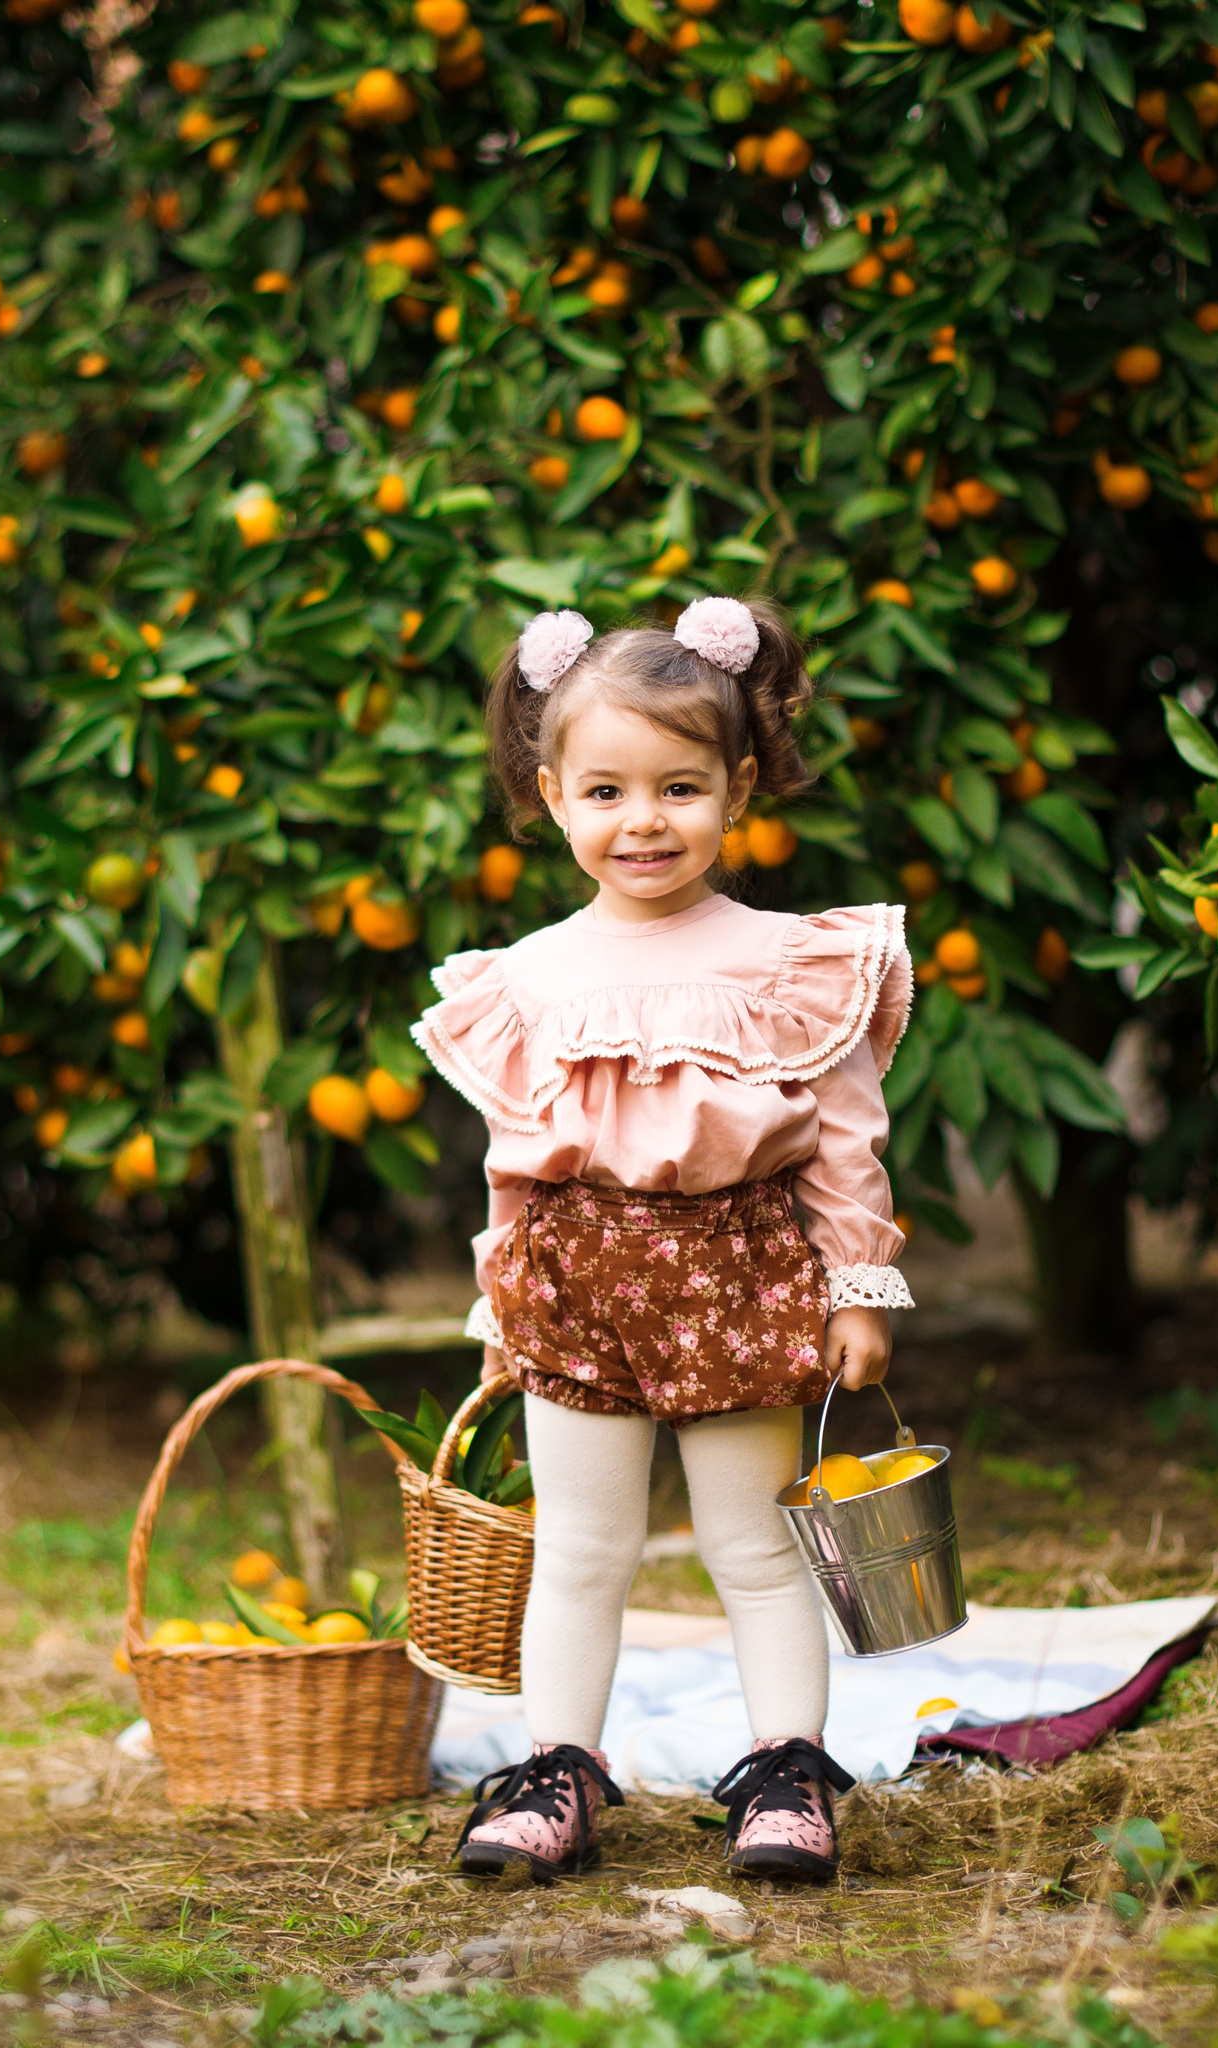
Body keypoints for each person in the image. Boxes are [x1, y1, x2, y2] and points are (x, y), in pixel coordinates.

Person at [412, 594, 914, 1886]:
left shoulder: (787, 962)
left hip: (742, 1280)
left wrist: (857, 1291)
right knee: (582, 1551)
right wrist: (500, 1309)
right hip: (573, 1288)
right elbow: (513, 1165)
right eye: (608, 791)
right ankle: (556, 1771)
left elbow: (846, 1141)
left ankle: (786, 1774)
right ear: (552, 793)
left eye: (681, 787)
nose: (645, 821)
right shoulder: (522, 979)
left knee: (755, 1548)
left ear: (738, 788)